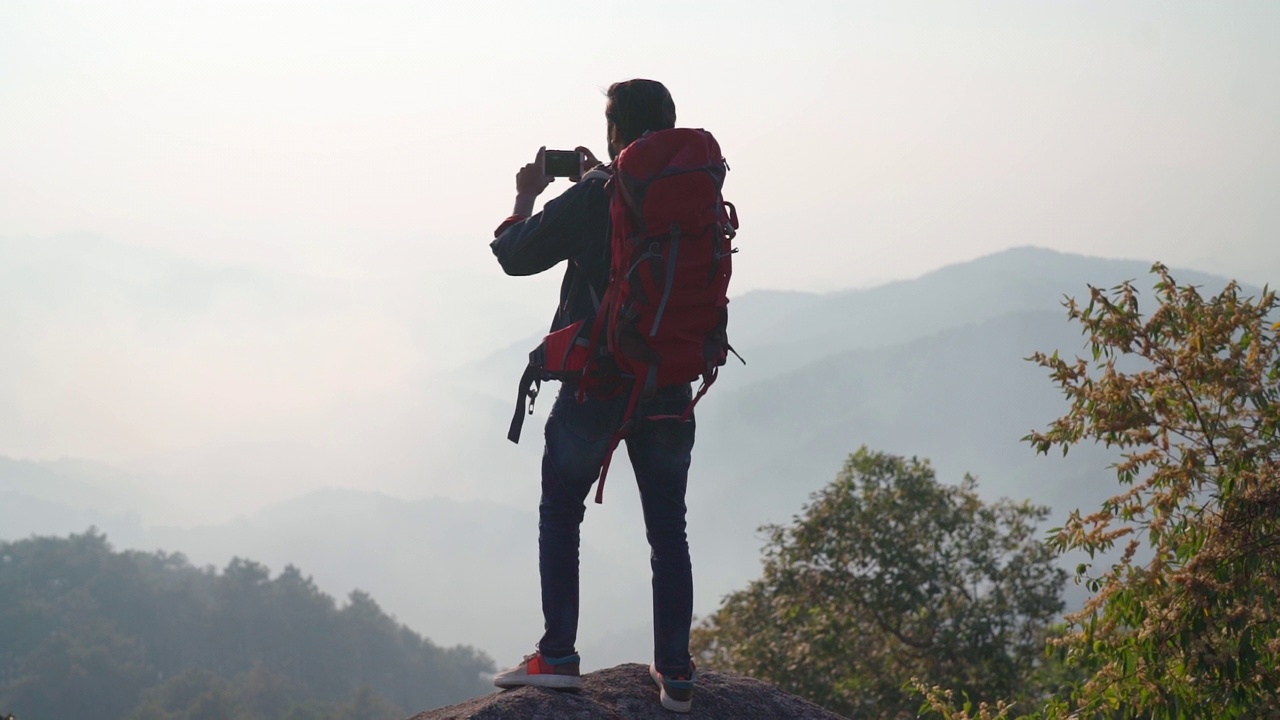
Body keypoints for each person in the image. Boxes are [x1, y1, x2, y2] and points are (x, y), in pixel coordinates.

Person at [488, 79, 699, 713]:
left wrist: (525, 196)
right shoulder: (690, 196)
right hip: (670, 379)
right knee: (669, 530)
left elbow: (512, 254)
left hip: (600, 383)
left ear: (614, 133)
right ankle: (678, 672)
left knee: (561, 510)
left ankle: (557, 654)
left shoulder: (594, 197)